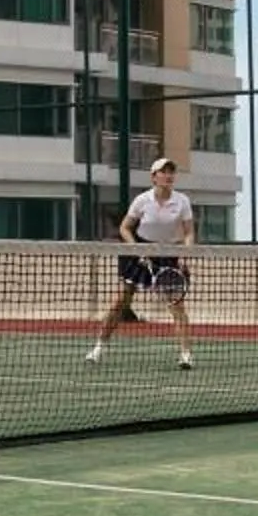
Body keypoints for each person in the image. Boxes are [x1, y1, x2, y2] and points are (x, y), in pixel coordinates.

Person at [87, 157, 197, 370]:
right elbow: (124, 228)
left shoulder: (182, 201)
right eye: (163, 172)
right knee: (121, 301)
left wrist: (185, 254)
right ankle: (98, 348)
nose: (168, 176)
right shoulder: (142, 200)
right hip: (139, 249)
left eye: (171, 172)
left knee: (177, 305)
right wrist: (137, 249)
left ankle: (186, 355)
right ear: (154, 177)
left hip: (169, 252)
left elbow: (189, 232)